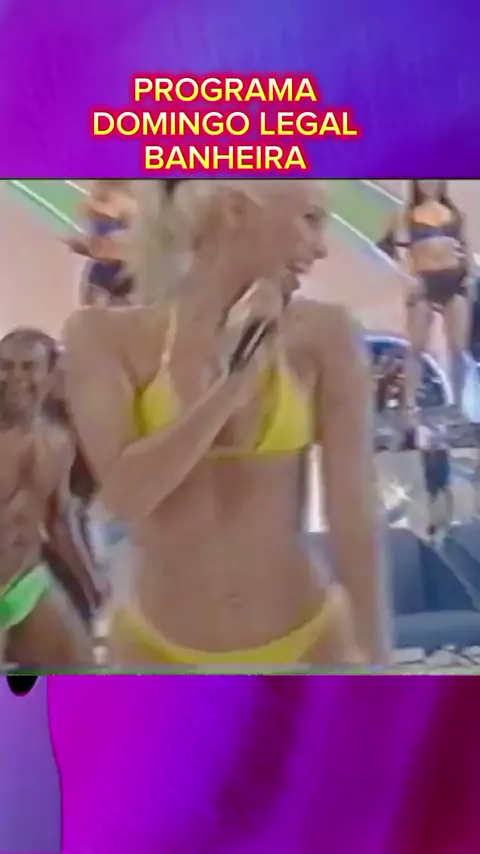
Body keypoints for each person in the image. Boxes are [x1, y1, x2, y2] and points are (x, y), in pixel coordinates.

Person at [64, 179, 387, 668]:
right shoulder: (103, 336)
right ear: (235, 210)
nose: (321, 248)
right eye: (310, 220)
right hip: (156, 648)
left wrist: (375, 653)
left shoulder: (326, 334)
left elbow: (353, 509)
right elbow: (125, 497)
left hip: (309, 639)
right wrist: (232, 385)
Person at [0, 328, 96, 668]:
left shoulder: (59, 441)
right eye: (5, 366)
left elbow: (60, 521)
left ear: (52, 373)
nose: (15, 377)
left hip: (26, 579)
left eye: (28, 367)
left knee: (82, 674)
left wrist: (91, 582)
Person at [389, 181, 472, 416]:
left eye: (433, 179)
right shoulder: (407, 215)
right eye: (424, 180)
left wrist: (469, 275)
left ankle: (459, 405)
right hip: (424, 283)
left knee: (458, 349)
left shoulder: (455, 214)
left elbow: (465, 246)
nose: (429, 184)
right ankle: (409, 404)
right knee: (416, 346)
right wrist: (409, 281)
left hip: (454, 282)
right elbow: (401, 253)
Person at [63, 179, 135, 305]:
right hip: (102, 278)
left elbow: (122, 250)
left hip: (120, 282)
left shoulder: (129, 208)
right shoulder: (98, 202)